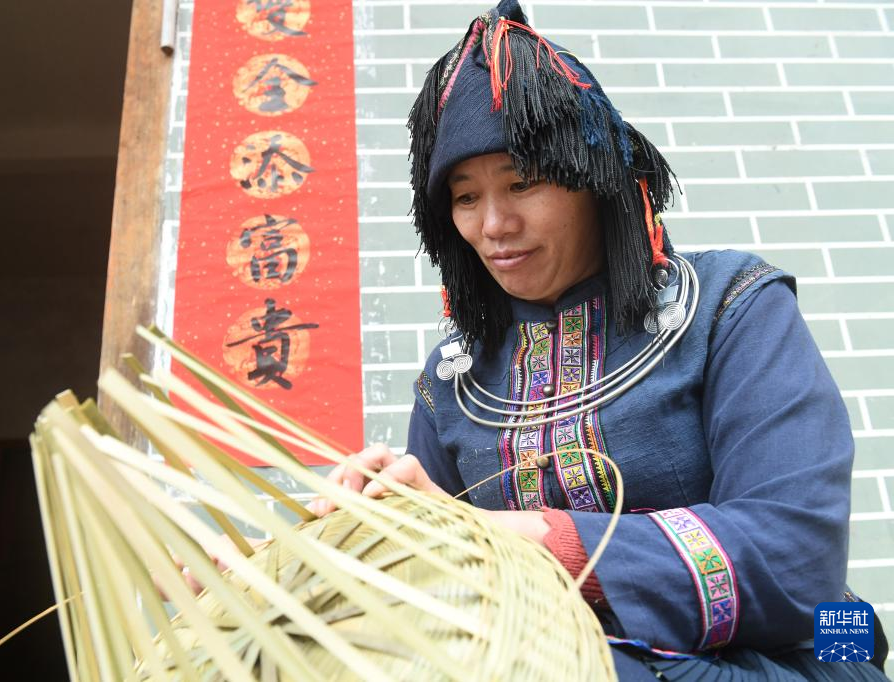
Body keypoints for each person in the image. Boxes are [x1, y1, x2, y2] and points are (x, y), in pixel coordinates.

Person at [312, 1, 891, 678]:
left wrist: (520, 539)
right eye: (465, 198)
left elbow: (797, 559)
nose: (493, 224)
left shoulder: (733, 304)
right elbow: (439, 609)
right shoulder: (454, 380)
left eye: (521, 182)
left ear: (596, 182)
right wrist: (347, 553)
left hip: (803, 655)